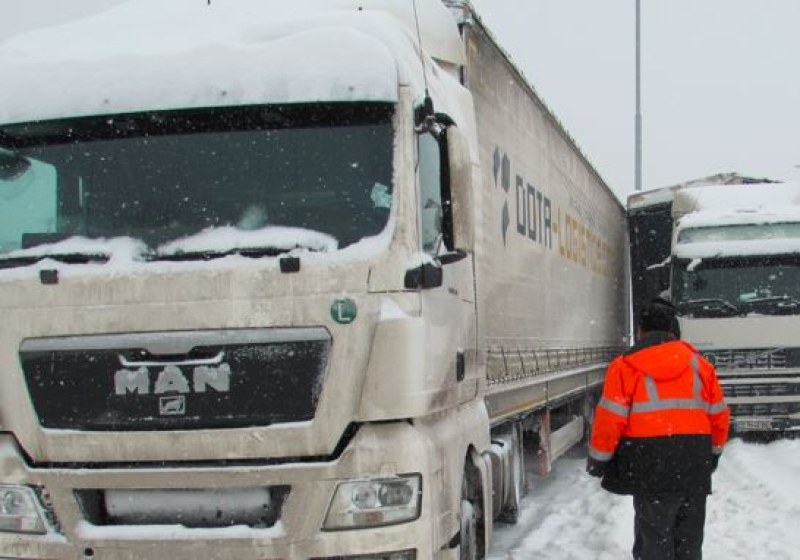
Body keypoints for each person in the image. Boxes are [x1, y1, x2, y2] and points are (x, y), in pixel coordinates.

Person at [586, 298, 730, 560]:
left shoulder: (625, 366)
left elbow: (610, 419)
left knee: (653, 541)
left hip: (650, 465)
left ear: (642, 331)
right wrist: (714, 453)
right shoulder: (700, 365)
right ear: (675, 331)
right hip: (694, 465)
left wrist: (599, 459)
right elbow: (719, 416)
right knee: (689, 542)